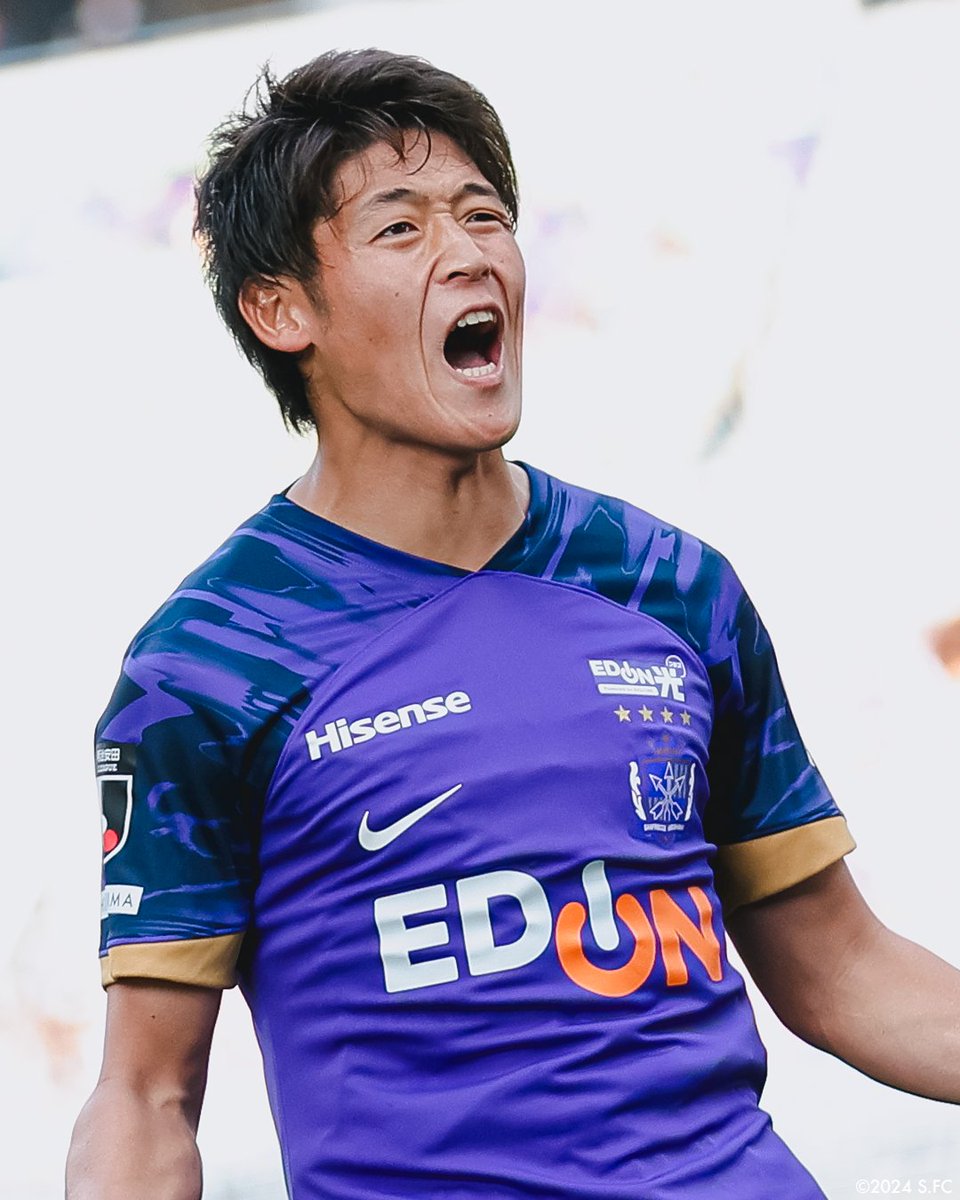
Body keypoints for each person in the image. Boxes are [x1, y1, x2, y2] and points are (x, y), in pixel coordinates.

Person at [66, 48, 960, 1200]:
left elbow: (843, 970)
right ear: (281, 308)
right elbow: (145, 1098)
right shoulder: (207, 665)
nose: (469, 252)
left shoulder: (668, 585)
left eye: (485, 215)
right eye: (402, 228)